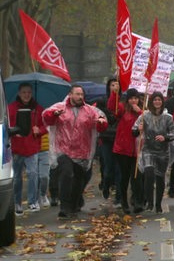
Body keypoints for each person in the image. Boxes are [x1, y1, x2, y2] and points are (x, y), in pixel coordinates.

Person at [43, 85, 107, 219]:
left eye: (81, 95)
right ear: (70, 95)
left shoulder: (89, 111)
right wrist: (53, 115)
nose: (80, 97)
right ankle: (64, 207)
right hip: (63, 151)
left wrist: (101, 122)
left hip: (82, 152)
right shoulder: (60, 108)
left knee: (79, 181)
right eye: (77, 94)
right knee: (66, 174)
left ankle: (74, 203)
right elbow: (47, 119)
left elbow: (101, 124)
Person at [132, 91, 174, 214]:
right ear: (151, 102)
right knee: (149, 172)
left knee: (160, 177)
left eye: (159, 100)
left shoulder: (168, 117)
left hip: (163, 152)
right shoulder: (144, 116)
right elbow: (134, 130)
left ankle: (158, 204)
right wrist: (138, 129)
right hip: (148, 150)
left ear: (162, 102)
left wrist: (165, 137)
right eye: (155, 100)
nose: (157, 102)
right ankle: (150, 202)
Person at [8, 83, 48, 215]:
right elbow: (7, 126)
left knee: (33, 174)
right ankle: (17, 203)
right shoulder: (11, 108)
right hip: (16, 148)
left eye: (29, 93)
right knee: (17, 177)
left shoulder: (38, 109)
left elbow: (45, 126)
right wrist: (13, 131)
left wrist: (39, 130)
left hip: (32, 147)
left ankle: (32, 201)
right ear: (19, 93)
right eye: (24, 92)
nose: (26, 95)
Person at [108, 88, 144, 214]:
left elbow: (148, 123)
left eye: (136, 98)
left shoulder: (142, 111)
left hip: (137, 149)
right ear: (128, 99)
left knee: (137, 176)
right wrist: (115, 93)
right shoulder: (123, 109)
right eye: (131, 98)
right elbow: (113, 107)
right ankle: (123, 201)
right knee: (124, 177)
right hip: (123, 149)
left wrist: (140, 113)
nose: (134, 101)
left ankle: (137, 201)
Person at [96, 78, 122, 206]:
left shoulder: (123, 102)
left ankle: (118, 196)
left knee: (118, 168)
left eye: (116, 85)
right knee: (108, 167)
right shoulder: (102, 101)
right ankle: (106, 184)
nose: (114, 87)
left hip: (119, 139)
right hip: (106, 138)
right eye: (112, 85)